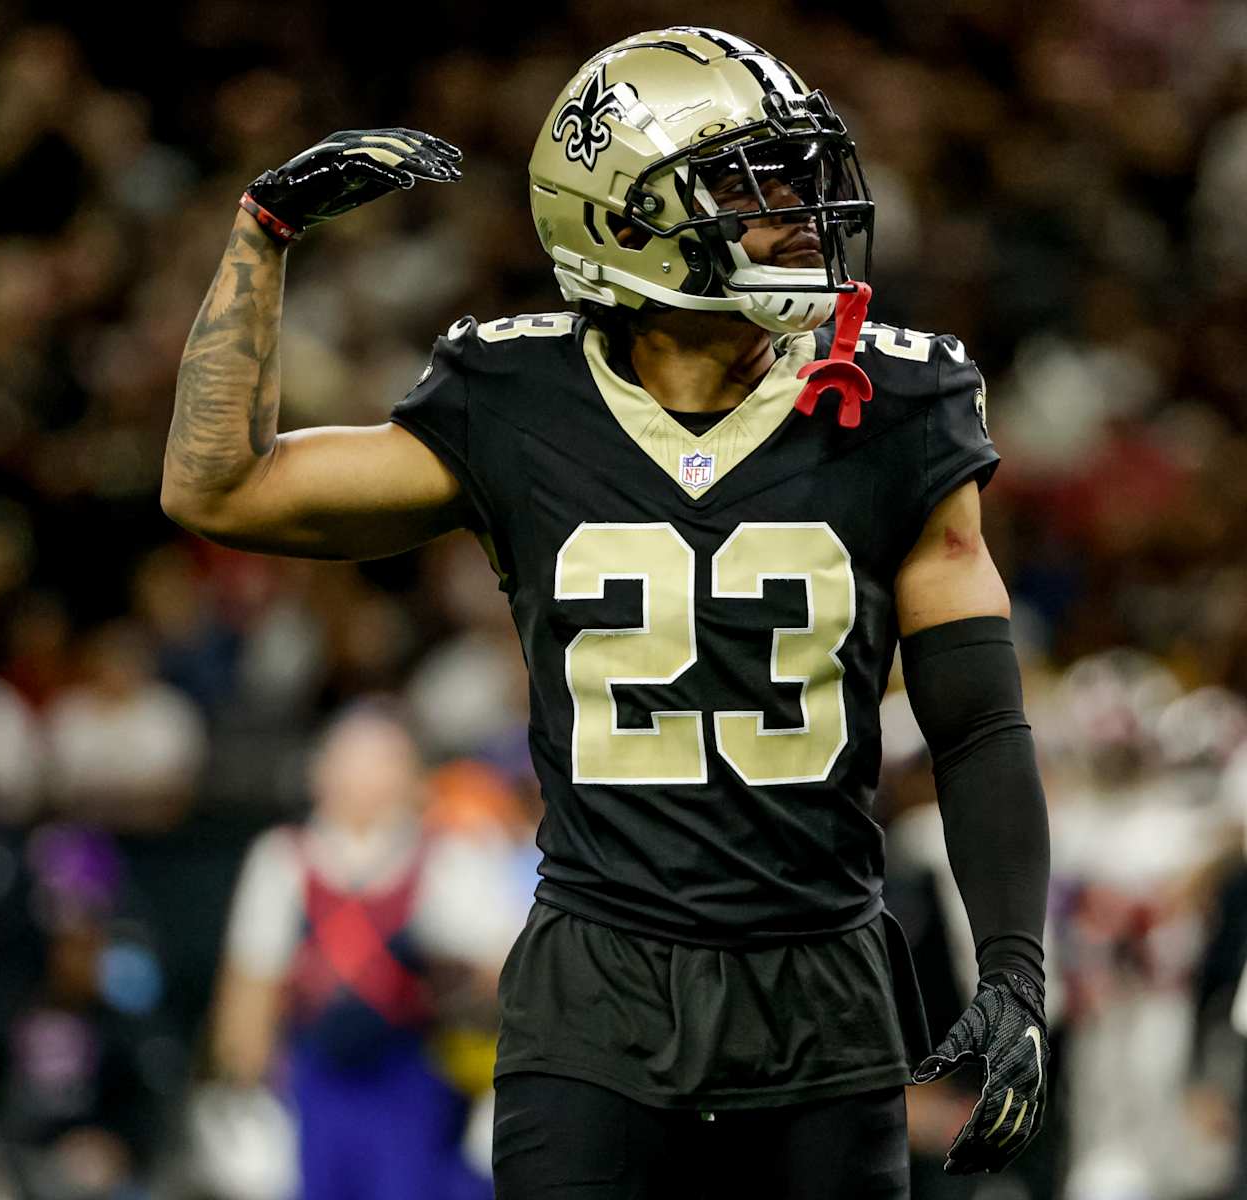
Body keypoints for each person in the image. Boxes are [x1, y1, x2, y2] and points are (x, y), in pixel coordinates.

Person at [162, 27, 1051, 1198]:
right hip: (596, 1000)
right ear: (626, 223)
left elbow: (977, 724)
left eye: (797, 175)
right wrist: (262, 234)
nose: (799, 211)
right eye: (746, 184)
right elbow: (218, 487)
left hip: (823, 994)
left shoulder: (898, 403)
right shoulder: (516, 399)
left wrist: (1015, 968)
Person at [211, 704, 512, 1200]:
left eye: (384, 763)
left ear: (414, 778)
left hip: (415, 1078)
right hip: (316, 1078)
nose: (366, 780)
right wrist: (242, 1088)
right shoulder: (283, 859)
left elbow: (498, 974)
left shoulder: (448, 858)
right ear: (320, 773)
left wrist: (454, 971)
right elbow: (249, 985)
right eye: (352, 762)